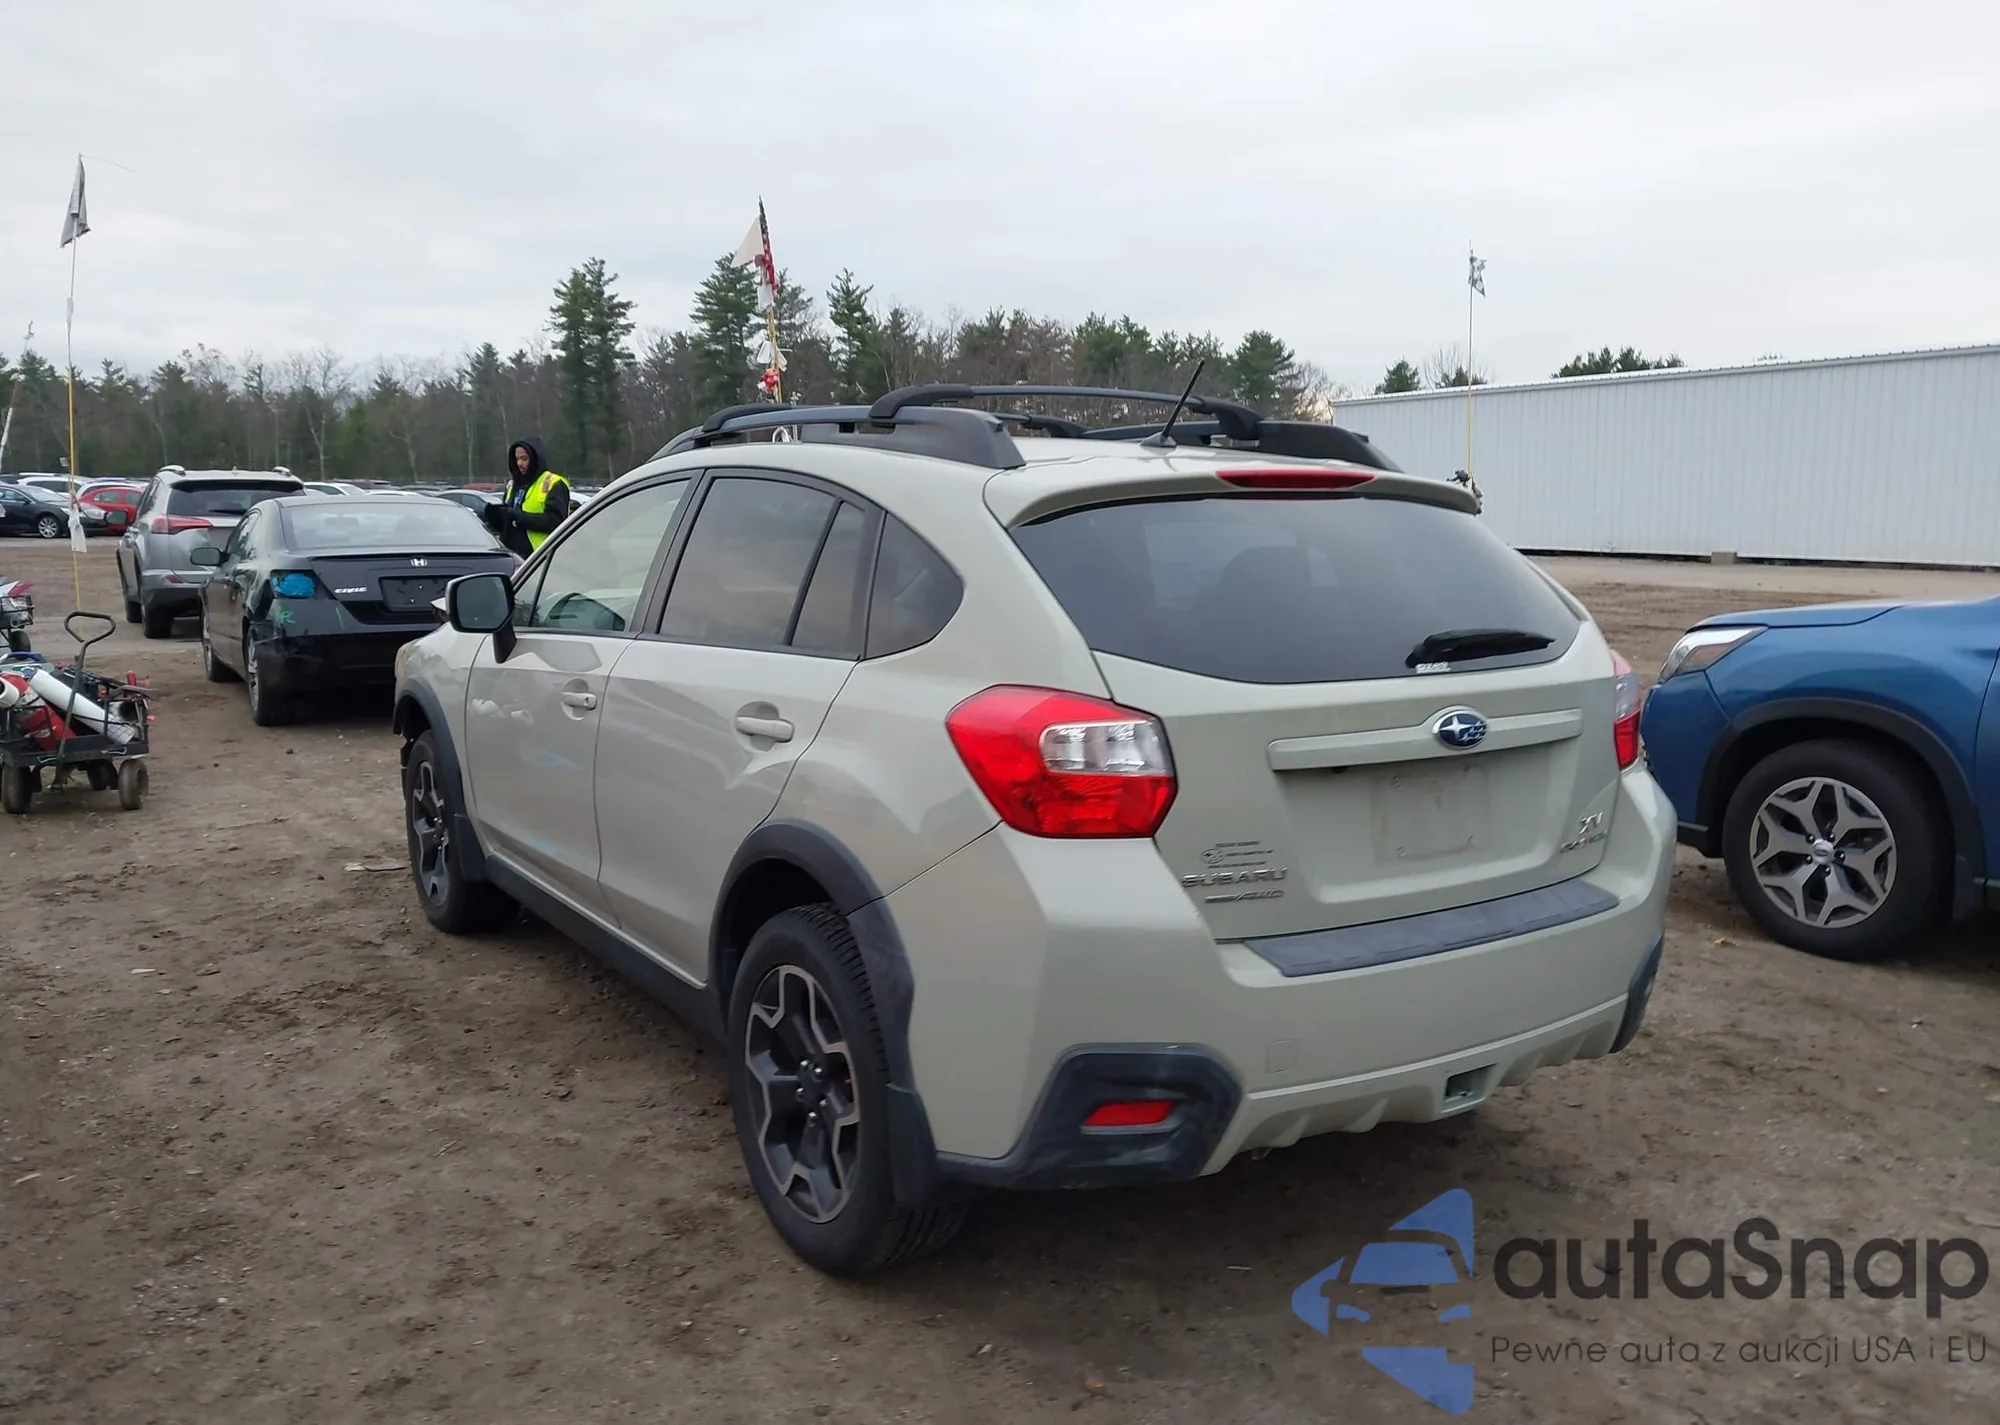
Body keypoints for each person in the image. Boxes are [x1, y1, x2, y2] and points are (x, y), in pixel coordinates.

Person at [484, 437, 571, 557]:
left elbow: (556, 522)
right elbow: (510, 520)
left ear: (535, 458)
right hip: (513, 556)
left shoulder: (553, 483)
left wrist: (519, 517)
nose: (519, 463)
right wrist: (496, 518)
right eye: (517, 459)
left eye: (524, 459)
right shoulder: (513, 485)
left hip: (541, 556)